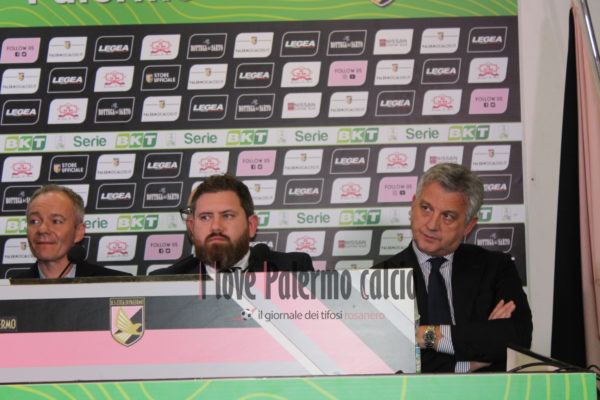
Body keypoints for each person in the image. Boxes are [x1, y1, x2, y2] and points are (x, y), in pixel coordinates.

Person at [373, 163, 532, 373]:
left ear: (469, 225)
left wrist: (424, 335)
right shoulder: (381, 276)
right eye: (426, 208)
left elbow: (516, 338)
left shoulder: (495, 268)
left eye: (447, 216)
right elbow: (387, 358)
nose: (432, 225)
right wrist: (469, 360)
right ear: (413, 205)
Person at [151, 174, 314, 275]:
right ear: (192, 227)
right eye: (205, 217)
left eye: (227, 216)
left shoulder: (293, 269)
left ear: (251, 226)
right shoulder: (165, 283)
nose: (216, 226)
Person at [14, 185, 128, 279]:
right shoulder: (11, 290)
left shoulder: (115, 284)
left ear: (78, 232)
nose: (42, 229)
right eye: (34, 221)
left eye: (56, 221)